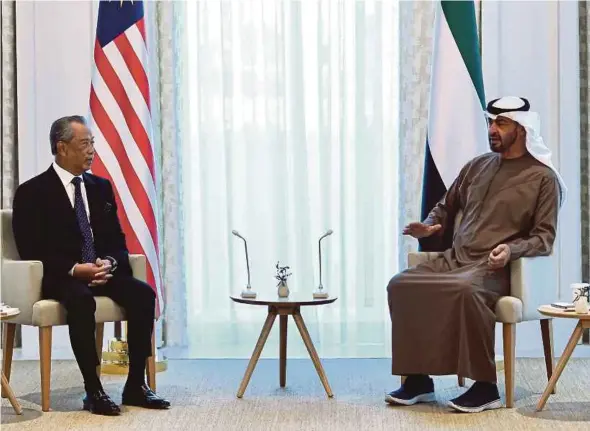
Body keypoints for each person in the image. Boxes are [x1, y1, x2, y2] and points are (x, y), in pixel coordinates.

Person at [385, 97, 566, 413]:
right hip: (455, 260)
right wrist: (429, 227)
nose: (492, 129)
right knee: (401, 285)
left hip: (496, 269)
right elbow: (446, 206)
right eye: (490, 122)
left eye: (501, 123)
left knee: (467, 289)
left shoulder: (543, 179)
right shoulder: (476, 166)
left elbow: (544, 238)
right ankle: (418, 380)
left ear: (522, 128)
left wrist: (511, 249)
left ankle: (485, 387)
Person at [12, 116, 170, 415]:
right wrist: (75, 269)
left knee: (143, 295)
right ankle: (93, 390)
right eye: (85, 144)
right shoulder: (32, 192)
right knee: (81, 301)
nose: (91, 150)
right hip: (60, 276)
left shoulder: (100, 187)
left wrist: (108, 262)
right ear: (62, 147)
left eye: (92, 144)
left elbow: (117, 240)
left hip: (100, 271)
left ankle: (135, 385)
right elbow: (31, 249)